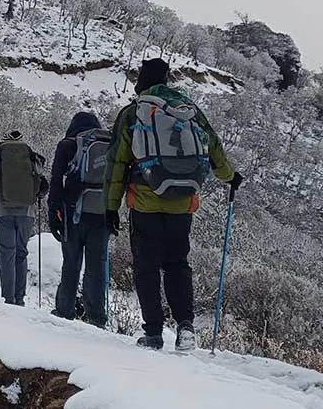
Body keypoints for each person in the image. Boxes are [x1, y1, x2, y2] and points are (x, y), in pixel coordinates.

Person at [105, 58, 243, 352]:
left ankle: (153, 332)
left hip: (144, 202)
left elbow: (116, 162)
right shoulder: (187, 110)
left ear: (142, 80)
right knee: (178, 264)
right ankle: (186, 328)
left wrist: (110, 207)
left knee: (147, 267)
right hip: (182, 203)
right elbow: (214, 145)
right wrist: (229, 177)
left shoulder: (134, 113)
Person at [48, 111, 109, 328]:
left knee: (71, 263)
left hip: (72, 214)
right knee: (97, 266)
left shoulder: (68, 145)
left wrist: (52, 212)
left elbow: (56, 181)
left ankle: (64, 311)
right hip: (103, 214)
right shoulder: (108, 143)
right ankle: (97, 317)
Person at [0, 130, 48, 306]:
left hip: (3, 211)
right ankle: (20, 298)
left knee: (6, 254)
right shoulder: (30, 155)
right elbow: (43, 187)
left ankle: (8, 299)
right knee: (21, 252)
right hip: (26, 212)